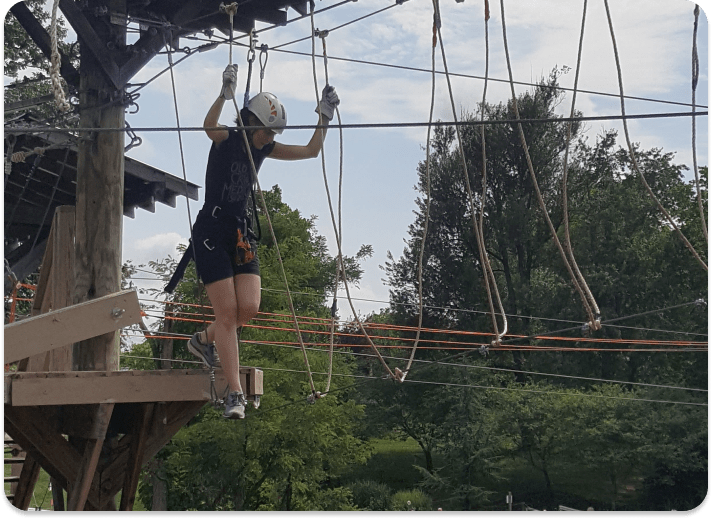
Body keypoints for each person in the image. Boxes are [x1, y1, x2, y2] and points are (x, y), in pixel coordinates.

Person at [187, 64, 340, 419]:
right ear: (252, 124)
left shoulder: (265, 149)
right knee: (227, 314)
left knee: (248, 310)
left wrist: (325, 116)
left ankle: (203, 340)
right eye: (267, 131)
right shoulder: (228, 138)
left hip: (239, 233)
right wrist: (224, 95)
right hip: (211, 233)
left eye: (274, 133)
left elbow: (310, 151)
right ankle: (234, 395)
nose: (269, 138)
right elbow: (209, 127)